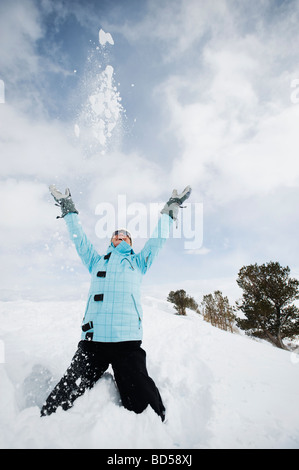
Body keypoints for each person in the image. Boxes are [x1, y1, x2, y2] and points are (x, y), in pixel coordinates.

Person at [40, 185, 191, 421]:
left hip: (126, 342)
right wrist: (68, 208)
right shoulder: (96, 262)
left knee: (144, 404)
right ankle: (43, 425)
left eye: (125, 234)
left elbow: (158, 238)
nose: (120, 236)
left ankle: (155, 433)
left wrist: (171, 206)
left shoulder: (139, 262)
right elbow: (79, 240)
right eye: (116, 234)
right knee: (64, 395)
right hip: (94, 342)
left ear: (130, 241)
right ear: (111, 240)